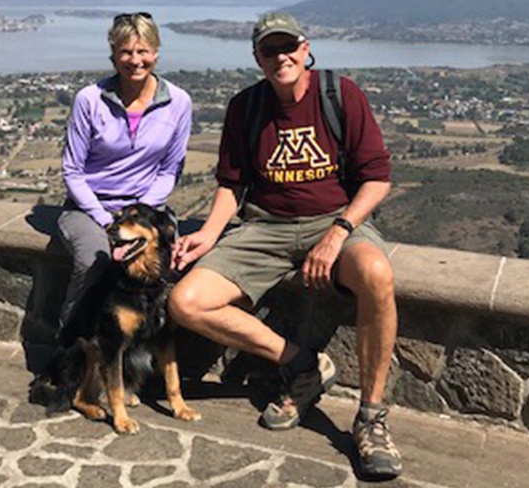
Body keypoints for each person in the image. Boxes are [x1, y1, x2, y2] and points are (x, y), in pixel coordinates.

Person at [168, 12, 401, 480]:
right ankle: (301, 363)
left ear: (305, 47)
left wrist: (337, 234)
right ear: (257, 58)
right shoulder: (246, 107)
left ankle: (371, 419)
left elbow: (376, 179)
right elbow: (232, 185)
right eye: (269, 50)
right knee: (185, 302)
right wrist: (209, 234)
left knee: (377, 275)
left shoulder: (340, 94)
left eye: (288, 47)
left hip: (334, 221)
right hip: (266, 227)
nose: (281, 57)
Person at [56, 12, 191, 345]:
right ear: (113, 54)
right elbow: (72, 170)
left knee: (174, 264)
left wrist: (140, 213)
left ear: (156, 52)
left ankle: (146, 358)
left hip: (145, 207)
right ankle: (69, 348)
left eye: (143, 51)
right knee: (93, 262)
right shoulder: (90, 99)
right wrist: (106, 220)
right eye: (126, 52)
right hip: (91, 206)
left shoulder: (178, 103)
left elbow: (170, 169)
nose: (135, 60)